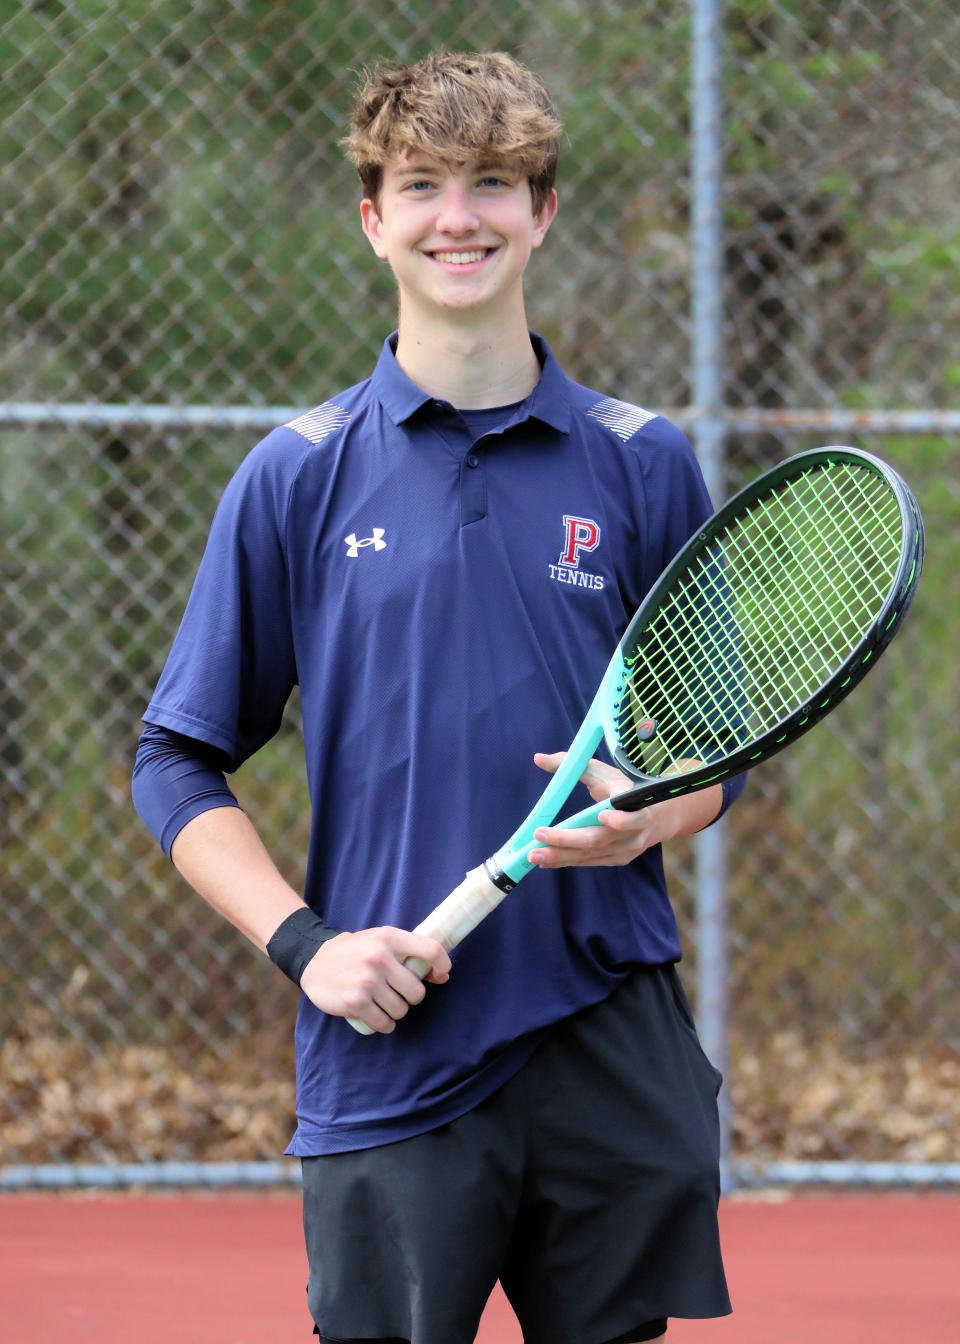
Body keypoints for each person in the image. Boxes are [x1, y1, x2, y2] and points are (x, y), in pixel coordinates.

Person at [133, 50, 744, 1344]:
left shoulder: (643, 465)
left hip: (606, 1024)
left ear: (543, 213)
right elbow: (176, 761)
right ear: (372, 219)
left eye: (492, 184)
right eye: (421, 185)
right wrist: (310, 952)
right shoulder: (294, 477)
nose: (456, 216)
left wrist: (652, 820)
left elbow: (716, 753)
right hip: (392, 1036)